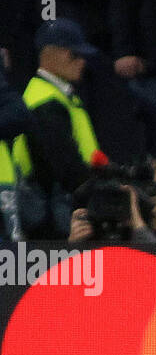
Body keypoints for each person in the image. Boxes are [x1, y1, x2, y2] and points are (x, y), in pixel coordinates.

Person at [10, 20, 103, 240]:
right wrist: (95, 194)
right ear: (53, 54)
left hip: (62, 210)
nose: (82, 61)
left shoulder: (58, 95)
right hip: (56, 218)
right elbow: (64, 169)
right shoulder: (44, 102)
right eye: (75, 54)